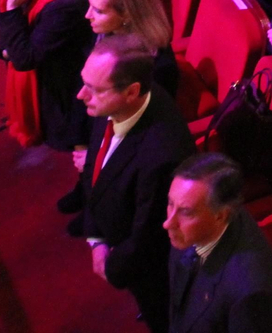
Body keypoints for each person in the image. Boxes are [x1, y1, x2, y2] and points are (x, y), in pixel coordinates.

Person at [72, 35, 196, 333]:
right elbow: (96, 171)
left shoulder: (162, 155)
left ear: (132, 92)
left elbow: (148, 239)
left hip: (154, 274)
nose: (81, 95)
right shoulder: (112, 105)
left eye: (93, 89)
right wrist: (96, 237)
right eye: (84, 83)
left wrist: (112, 268)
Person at [0, 0, 94, 151]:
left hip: (64, 92)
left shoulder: (67, 3)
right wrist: (7, 47)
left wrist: (11, 11)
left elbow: (26, 58)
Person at [163, 153, 272, 333]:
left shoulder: (250, 293)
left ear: (221, 216)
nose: (167, 223)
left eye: (185, 212)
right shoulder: (195, 226)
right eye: (170, 203)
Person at [85, 0, 178, 96]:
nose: (88, 15)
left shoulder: (156, 69)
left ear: (127, 15)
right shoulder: (105, 30)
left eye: (98, 11)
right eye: (90, 6)